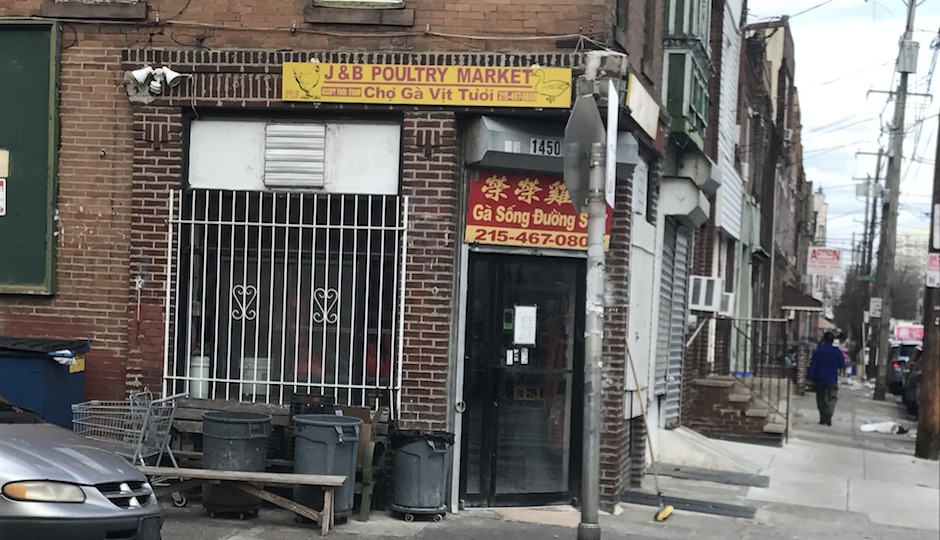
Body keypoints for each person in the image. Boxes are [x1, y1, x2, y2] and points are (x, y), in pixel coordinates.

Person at [807, 331, 846, 426]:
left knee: (820, 398)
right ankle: (829, 413)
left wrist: (809, 377)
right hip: (832, 379)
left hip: (819, 378)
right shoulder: (837, 351)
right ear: (833, 341)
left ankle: (823, 417)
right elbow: (842, 364)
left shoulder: (819, 350)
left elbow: (813, 365)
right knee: (832, 397)